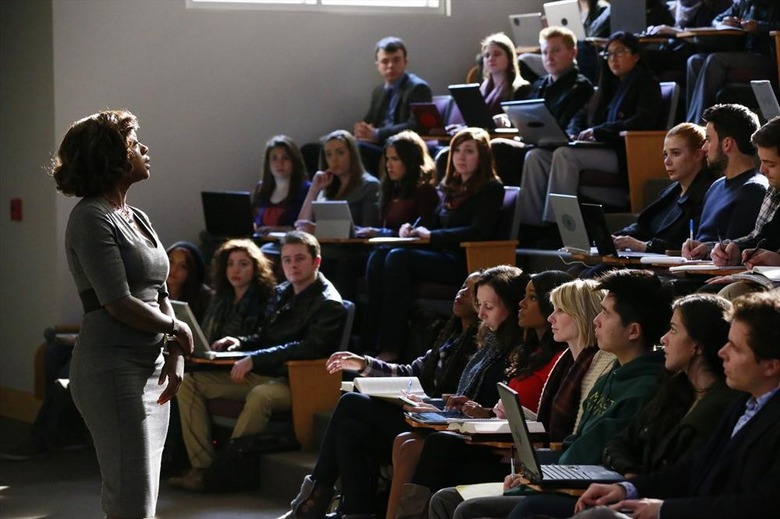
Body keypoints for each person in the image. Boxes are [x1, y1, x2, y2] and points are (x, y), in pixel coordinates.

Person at [278, 266, 528, 519]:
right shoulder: (466, 339)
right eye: (477, 300)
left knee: (352, 402)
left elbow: (488, 406)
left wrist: (440, 407)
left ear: (510, 306)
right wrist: (365, 365)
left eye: (486, 304)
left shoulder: (499, 349)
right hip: (435, 418)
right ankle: (354, 513)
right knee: (349, 429)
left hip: (448, 428)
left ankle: (312, 500)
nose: (473, 304)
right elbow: (413, 371)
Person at [51, 109, 194, 519]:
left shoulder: (137, 217)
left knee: (144, 495)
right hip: (112, 369)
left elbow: (161, 293)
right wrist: (177, 328)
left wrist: (176, 355)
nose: (144, 150)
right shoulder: (90, 217)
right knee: (130, 497)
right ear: (110, 157)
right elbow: (118, 302)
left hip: (151, 368)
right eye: (133, 144)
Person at [506, 293, 739, 519]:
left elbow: (687, 476)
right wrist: (629, 480)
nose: (664, 339)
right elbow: (619, 443)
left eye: (674, 330)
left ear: (698, 345)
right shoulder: (673, 388)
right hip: (633, 490)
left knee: (529, 509)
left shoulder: (719, 406)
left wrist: (633, 487)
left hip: (660, 504)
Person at [570, 290, 780, 519]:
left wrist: (662, 510)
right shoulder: (743, 401)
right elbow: (693, 468)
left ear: (771, 366)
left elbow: (758, 506)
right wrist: (628, 488)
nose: (722, 352)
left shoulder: (738, 404)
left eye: (736, 348)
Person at [426, 278, 617, 519]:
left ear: (581, 315)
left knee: (450, 485)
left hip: (559, 472)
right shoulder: (567, 361)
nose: (551, 318)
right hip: (542, 463)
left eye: (560, 310)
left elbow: (574, 440)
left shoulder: (598, 367)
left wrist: (531, 475)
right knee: (441, 485)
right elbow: (550, 425)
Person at [171, 231, 345, 492]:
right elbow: (264, 335)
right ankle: (203, 468)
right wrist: (239, 342)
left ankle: (225, 470)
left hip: (297, 381)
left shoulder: (329, 303)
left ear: (316, 262)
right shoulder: (283, 291)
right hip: (268, 371)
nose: (292, 265)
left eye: (299, 259)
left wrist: (255, 358)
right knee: (189, 382)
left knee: (261, 396)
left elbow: (308, 348)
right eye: (287, 260)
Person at [389, 271, 573, 519]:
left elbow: (544, 422)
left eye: (530, 298)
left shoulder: (559, 360)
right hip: (496, 436)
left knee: (436, 445)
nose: (522, 303)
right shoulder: (528, 351)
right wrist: (482, 411)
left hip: (510, 450)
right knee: (410, 440)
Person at [365, 127, 504, 359]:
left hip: (464, 260)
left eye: (469, 151)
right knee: (379, 255)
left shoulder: (492, 188)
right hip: (440, 253)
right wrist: (413, 229)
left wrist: (432, 236)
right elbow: (435, 223)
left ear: (482, 156)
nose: (461, 156)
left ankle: (391, 347)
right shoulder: (452, 188)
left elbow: (478, 231)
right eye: (457, 150)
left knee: (397, 258)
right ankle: (370, 342)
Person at [518, 32, 663, 245]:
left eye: (620, 52)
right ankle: (531, 228)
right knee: (536, 156)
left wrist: (599, 131)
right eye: (609, 53)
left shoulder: (647, 83)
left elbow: (643, 120)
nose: (613, 58)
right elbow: (582, 115)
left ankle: (559, 228)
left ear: (636, 55)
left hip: (623, 152)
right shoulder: (608, 86)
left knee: (565, 155)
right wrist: (574, 132)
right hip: (598, 149)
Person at [491, 25, 595, 187]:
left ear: (573, 53)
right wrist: (509, 118)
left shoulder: (580, 87)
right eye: (545, 52)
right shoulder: (540, 84)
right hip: (533, 142)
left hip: (556, 148)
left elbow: (567, 127)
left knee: (500, 148)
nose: (549, 57)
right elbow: (526, 115)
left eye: (555, 51)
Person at [611, 123, 716, 253]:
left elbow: (692, 244)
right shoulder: (671, 191)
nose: (667, 161)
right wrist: (618, 238)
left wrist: (644, 246)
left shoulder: (709, 193)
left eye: (675, 153)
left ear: (698, 155)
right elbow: (644, 227)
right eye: (665, 155)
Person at [682, 104, 768, 259]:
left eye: (708, 140)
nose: (704, 148)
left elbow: (730, 255)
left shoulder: (753, 190)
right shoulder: (716, 186)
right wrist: (696, 248)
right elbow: (708, 242)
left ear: (727, 143)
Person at [685, 0, 780, 124]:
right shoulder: (744, 3)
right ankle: (690, 122)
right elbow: (716, 20)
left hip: (769, 57)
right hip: (746, 55)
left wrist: (759, 27)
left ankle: (701, 122)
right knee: (695, 61)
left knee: (716, 60)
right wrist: (724, 21)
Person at [353, 36, 433, 174]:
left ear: (405, 62)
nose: (390, 65)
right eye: (385, 61)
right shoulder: (379, 91)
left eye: (396, 60)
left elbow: (416, 125)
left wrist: (377, 134)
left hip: (400, 148)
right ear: (377, 65)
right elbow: (369, 120)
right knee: (318, 148)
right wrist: (361, 129)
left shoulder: (418, 88)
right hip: (379, 144)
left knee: (357, 149)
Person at [710, 115, 780, 266]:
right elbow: (760, 238)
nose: (762, 169)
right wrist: (735, 250)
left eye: (770, 164)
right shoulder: (775, 189)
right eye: (761, 161)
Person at [355, 130, 439, 238]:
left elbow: (423, 234)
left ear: (410, 161)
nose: (388, 165)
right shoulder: (391, 190)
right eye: (387, 159)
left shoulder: (424, 191)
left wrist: (381, 233)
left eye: (395, 159)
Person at [296, 129, 380, 232]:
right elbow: (302, 226)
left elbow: (369, 231)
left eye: (340, 153)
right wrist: (314, 189)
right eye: (328, 154)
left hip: (352, 247)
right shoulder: (326, 186)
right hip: (323, 245)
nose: (334, 159)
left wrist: (320, 230)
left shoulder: (370, 186)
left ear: (352, 155)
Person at [199, 239, 276, 344]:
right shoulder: (220, 298)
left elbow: (263, 337)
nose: (235, 270)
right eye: (230, 264)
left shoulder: (265, 299)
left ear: (256, 268)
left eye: (243, 264)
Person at [252, 135, 311, 235]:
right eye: (274, 158)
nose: (279, 163)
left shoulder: (306, 190)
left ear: (294, 161)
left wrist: (278, 229)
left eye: (285, 158)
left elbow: (305, 228)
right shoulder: (261, 189)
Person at [479, 32, 531, 116]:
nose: (491, 58)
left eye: (497, 54)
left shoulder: (520, 89)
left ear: (509, 57)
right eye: (487, 55)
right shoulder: (483, 89)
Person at [166, 241, 213, 322]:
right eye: (171, 261)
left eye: (183, 266)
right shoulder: (153, 289)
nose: (174, 269)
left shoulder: (205, 298)